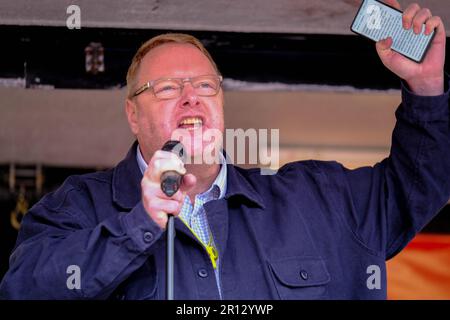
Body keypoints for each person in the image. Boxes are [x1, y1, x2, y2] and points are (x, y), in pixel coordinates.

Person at [0, 0, 449, 299]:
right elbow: (22, 289)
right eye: (167, 88)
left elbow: (415, 188)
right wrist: (139, 223)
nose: (191, 96)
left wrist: (427, 86)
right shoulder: (74, 208)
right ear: (133, 115)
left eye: (205, 86)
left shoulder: (319, 199)